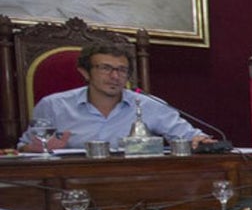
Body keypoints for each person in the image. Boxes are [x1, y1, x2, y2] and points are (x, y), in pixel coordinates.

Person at [17, 43, 210, 151]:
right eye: (105, 68)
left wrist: (201, 140)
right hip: (69, 185)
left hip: (134, 183)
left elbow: (190, 136)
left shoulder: (149, 104)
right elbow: (24, 149)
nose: (115, 76)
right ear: (85, 72)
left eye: (122, 70)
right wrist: (42, 148)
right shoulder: (53, 106)